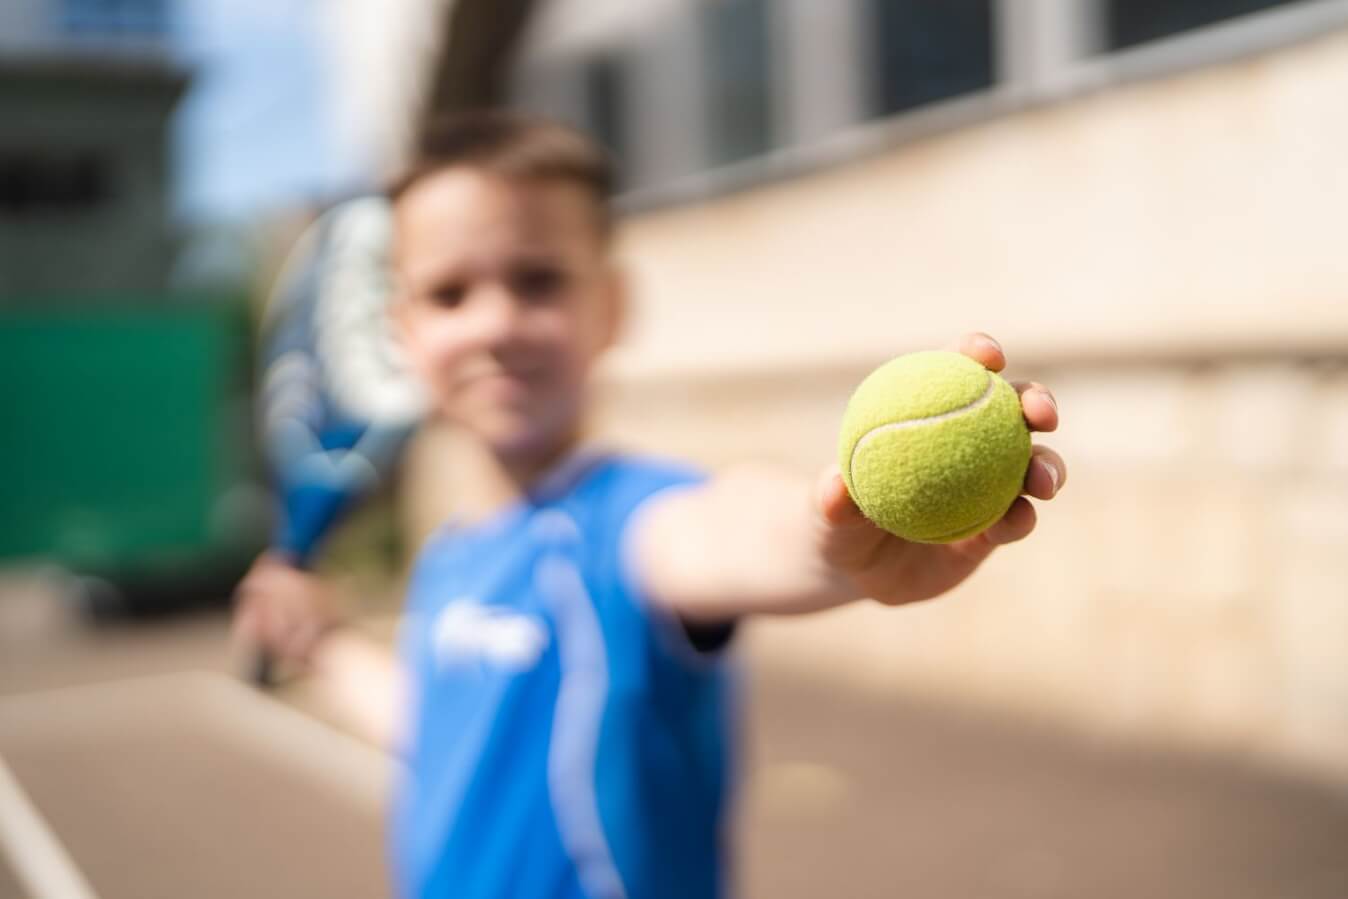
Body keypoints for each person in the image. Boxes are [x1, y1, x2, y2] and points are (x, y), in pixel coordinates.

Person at [233, 110, 1068, 899]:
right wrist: (324, 644)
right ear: (401, 331)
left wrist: (831, 539)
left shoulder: (631, 520)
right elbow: (445, 726)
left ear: (612, 306)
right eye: (450, 294)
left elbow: (724, 531)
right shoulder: (450, 554)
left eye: (538, 280)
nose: (495, 322)